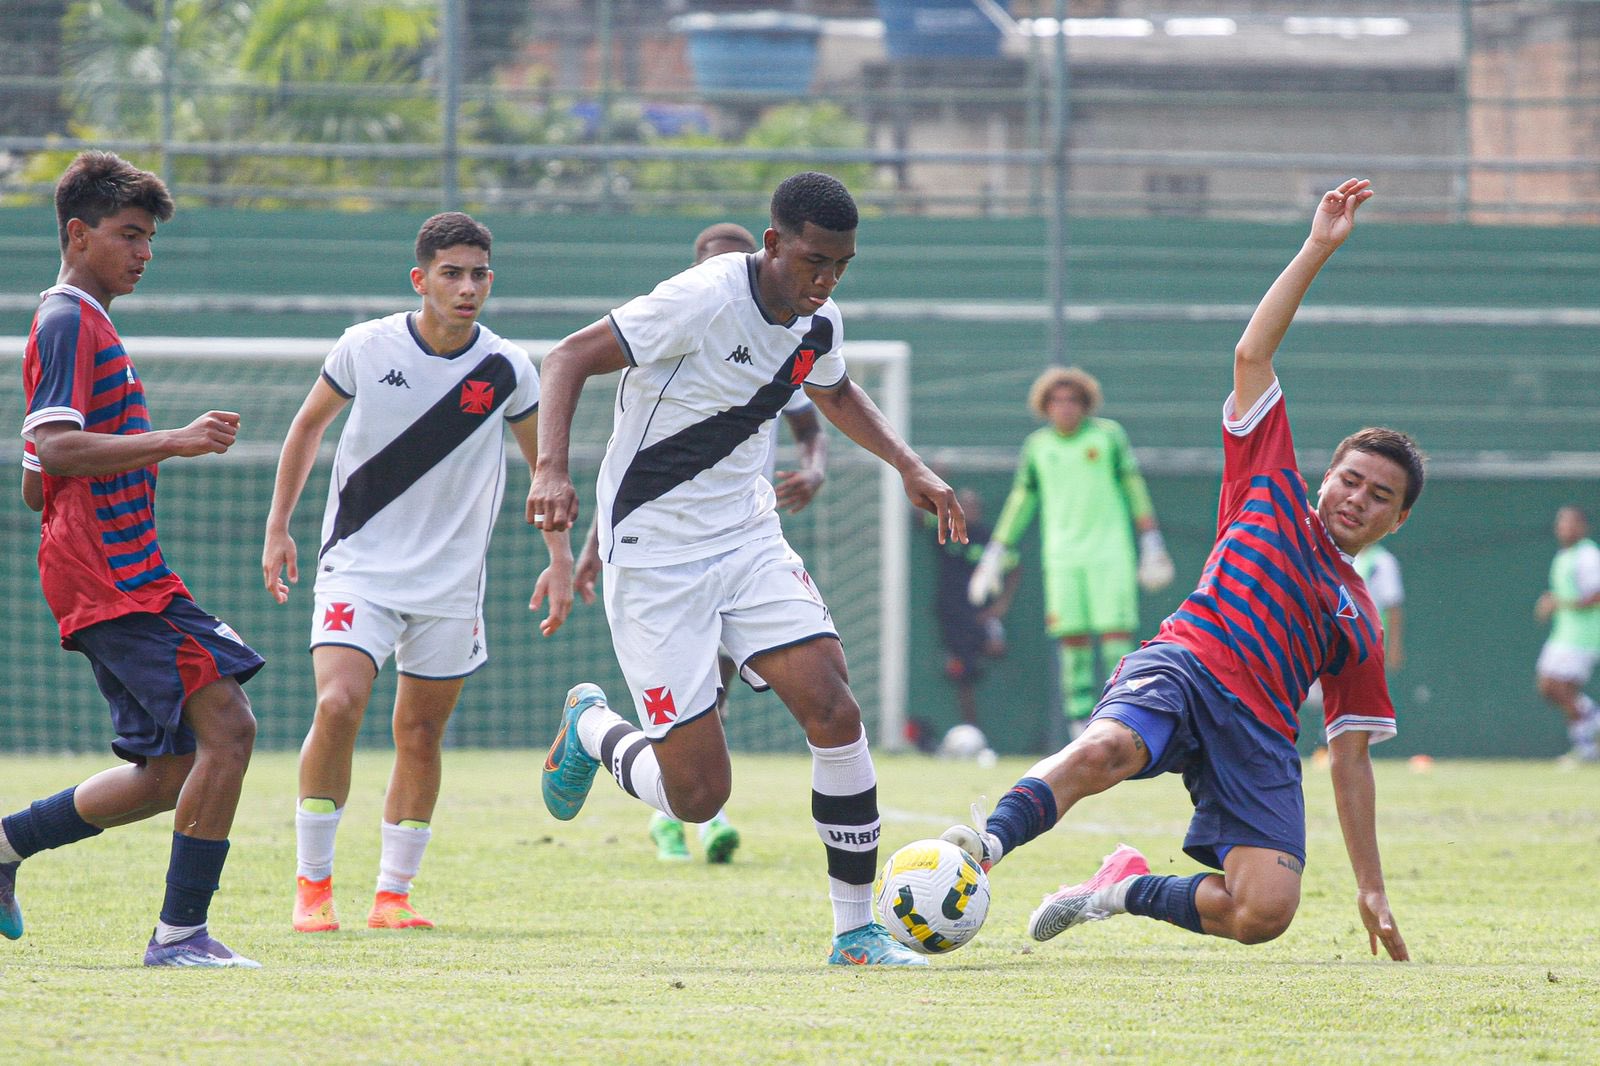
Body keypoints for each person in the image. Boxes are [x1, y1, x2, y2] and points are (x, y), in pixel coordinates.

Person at [945, 179, 1416, 963]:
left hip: (1261, 733)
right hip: (1187, 667)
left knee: (1263, 912)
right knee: (1105, 750)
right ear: (1326, 477)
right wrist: (1317, 247)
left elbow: (1352, 759)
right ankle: (982, 848)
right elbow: (1252, 353)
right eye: (1350, 479)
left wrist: (1371, 885)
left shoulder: (1359, 617)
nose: (1357, 498)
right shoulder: (1268, 487)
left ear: (1397, 521)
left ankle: (1119, 889)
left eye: (1380, 496)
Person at [529, 171, 965, 966]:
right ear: (772, 244)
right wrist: (550, 469)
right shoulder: (701, 298)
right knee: (699, 797)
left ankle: (855, 934)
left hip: (747, 539)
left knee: (835, 709)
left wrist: (909, 465)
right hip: (656, 557)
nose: (826, 280)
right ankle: (592, 729)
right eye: (813, 261)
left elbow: (835, 391)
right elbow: (567, 358)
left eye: (841, 266)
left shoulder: (818, 320)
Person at [262, 211, 573, 934]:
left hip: (451, 584)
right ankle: (313, 884)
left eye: (479, 275)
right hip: (359, 567)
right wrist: (278, 526)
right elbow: (307, 426)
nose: (467, 288)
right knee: (338, 703)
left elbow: (545, 471)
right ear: (420, 279)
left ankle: (393, 895)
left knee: (422, 732)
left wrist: (559, 558)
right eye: (451, 274)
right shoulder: (365, 346)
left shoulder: (508, 368)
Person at [0, 151, 264, 967]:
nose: (143, 252)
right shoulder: (68, 320)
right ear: (78, 235)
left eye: (148, 238)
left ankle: (5, 846)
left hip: (112, 565)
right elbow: (57, 449)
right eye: (128, 234)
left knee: (170, 769)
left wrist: (103, 470)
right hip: (109, 573)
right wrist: (174, 441)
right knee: (229, 728)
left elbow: (35, 482)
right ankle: (180, 937)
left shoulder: (84, 324)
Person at [573, 221, 829, 865]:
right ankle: (678, 806)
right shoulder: (679, 326)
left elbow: (814, 417)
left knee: (751, 692)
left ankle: (706, 812)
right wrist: (593, 543)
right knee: (695, 742)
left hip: (742, 541)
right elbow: (631, 459)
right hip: (661, 553)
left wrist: (816, 468)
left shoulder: (788, 334)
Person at [968, 366, 1174, 741]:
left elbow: (1133, 485)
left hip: (1110, 554)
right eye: (1057, 400)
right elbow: (1021, 500)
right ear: (1045, 406)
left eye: (1073, 400)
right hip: (1063, 558)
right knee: (1073, 643)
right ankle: (1080, 729)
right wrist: (996, 552)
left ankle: (1120, 720)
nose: (1065, 407)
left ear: (1085, 404)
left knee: (1115, 640)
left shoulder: (1108, 437)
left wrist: (1151, 541)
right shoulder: (1038, 447)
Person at [928, 488, 1019, 740]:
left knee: (995, 652)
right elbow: (919, 513)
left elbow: (1014, 567)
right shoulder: (944, 533)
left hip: (980, 616)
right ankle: (970, 732)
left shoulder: (988, 539)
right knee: (961, 673)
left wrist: (1000, 606)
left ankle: (1009, 734)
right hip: (952, 616)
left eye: (973, 506)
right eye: (963, 505)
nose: (968, 510)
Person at [1533, 506, 1600, 765]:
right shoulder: (1564, 556)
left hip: (1584, 635)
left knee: (1559, 687)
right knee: (1551, 688)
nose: (1564, 528)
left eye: (1570, 523)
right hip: (1564, 633)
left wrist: (1558, 603)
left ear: (1583, 527)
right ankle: (1587, 745)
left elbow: (1596, 595)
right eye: (1561, 522)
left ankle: (1587, 743)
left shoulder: (1588, 555)